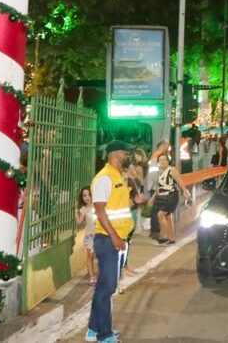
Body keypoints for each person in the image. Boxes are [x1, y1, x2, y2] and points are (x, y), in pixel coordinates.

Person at [86, 141, 135, 343]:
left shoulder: (117, 176)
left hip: (115, 238)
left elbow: (118, 206)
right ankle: (104, 335)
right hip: (107, 240)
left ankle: (93, 330)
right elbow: (100, 210)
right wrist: (114, 236)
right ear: (115, 154)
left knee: (104, 287)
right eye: (125, 152)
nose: (127, 156)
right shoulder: (104, 178)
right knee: (107, 288)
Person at [151, 153, 188, 245]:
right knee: (168, 216)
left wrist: (185, 190)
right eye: (160, 160)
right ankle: (171, 239)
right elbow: (160, 187)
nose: (162, 161)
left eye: (164, 159)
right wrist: (152, 198)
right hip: (164, 196)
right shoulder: (160, 172)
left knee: (160, 214)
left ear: (168, 161)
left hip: (171, 195)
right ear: (158, 162)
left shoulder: (172, 170)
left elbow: (180, 180)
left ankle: (164, 237)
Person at [76, 187, 97, 285]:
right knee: (90, 256)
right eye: (84, 195)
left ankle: (100, 275)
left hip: (99, 234)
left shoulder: (98, 206)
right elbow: (79, 221)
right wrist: (75, 210)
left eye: (89, 195)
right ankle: (92, 277)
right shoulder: (84, 209)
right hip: (89, 236)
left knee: (100, 256)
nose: (87, 197)